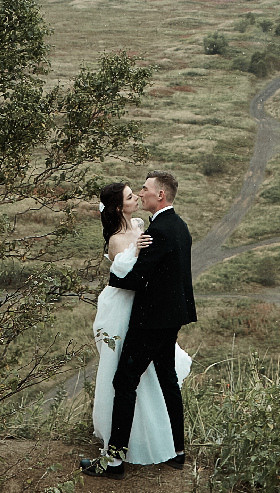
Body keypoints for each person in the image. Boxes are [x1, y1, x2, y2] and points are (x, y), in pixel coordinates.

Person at [83, 172, 196, 480]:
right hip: (171, 318)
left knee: (124, 382)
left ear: (160, 195)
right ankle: (177, 451)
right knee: (167, 380)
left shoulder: (158, 232)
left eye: (145, 190)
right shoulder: (179, 226)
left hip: (150, 322)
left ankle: (116, 461)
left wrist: (114, 277)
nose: (142, 194)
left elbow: (136, 278)